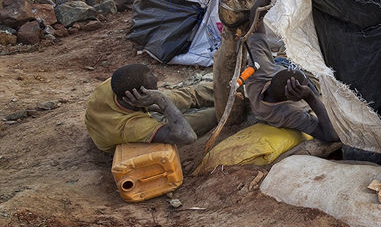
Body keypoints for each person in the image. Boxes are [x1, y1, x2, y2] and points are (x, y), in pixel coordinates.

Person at [242, 21, 339, 143]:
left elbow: (256, 26)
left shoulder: (260, 71)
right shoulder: (285, 114)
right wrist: (310, 96)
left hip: (283, 59)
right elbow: (331, 135)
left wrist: (259, 9)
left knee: (298, 31)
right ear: (294, 97)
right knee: (329, 42)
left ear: (272, 79)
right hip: (312, 73)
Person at [85, 63, 216, 152]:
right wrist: (161, 100)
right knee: (211, 115)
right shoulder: (129, 127)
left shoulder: (116, 84)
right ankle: (233, 107)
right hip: (131, 124)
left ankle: (229, 87)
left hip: (136, 108)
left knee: (187, 94)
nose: (157, 82)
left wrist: (159, 98)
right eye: (153, 88)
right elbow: (187, 136)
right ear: (135, 96)